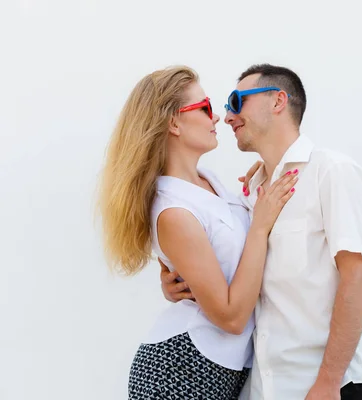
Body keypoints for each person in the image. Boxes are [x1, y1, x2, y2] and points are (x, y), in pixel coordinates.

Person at [162, 64, 362, 400]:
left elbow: (358, 277)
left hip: (325, 388)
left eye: (236, 101)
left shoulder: (330, 171)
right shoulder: (248, 194)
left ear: (278, 101)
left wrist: (329, 382)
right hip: (263, 389)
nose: (227, 116)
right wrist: (177, 282)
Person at [97, 65, 298, 399]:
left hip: (221, 370)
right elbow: (231, 318)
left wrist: (263, 175)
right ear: (173, 123)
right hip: (180, 371)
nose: (216, 117)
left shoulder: (211, 184)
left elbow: (228, 259)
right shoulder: (174, 211)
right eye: (204, 108)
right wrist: (260, 226)